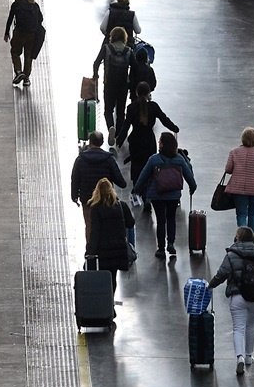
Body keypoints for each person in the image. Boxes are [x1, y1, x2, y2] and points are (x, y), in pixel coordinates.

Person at [207, 227, 254, 375]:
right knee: (251, 326)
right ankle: (249, 356)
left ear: (237, 238)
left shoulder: (231, 255)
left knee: (238, 328)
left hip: (238, 296)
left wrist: (210, 286)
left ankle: (240, 358)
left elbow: (221, 274)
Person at [133, 130, 196, 259]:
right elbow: (188, 174)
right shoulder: (179, 159)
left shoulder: (154, 159)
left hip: (157, 195)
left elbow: (143, 176)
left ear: (162, 144)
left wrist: (136, 189)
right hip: (173, 195)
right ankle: (171, 243)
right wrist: (192, 186)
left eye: (159, 141)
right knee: (171, 218)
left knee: (161, 220)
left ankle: (161, 248)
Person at [116, 86, 178, 201]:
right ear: (148, 93)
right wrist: (174, 128)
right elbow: (164, 119)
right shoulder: (153, 106)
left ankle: (137, 195)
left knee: (136, 169)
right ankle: (147, 198)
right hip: (149, 142)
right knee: (150, 169)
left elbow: (125, 127)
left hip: (135, 142)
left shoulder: (131, 108)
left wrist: (118, 143)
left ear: (136, 92)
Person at [221, 126, 254, 234]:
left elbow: (228, 169)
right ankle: (252, 239)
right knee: (253, 214)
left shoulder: (234, 152)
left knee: (241, 214)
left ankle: (242, 238)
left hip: (238, 189)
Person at [84, 177, 136, 283]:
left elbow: (95, 231)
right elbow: (131, 223)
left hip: (103, 250)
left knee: (104, 277)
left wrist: (90, 251)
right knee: (113, 276)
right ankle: (111, 297)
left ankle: (106, 297)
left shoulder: (96, 208)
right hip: (119, 248)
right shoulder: (121, 206)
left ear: (97, 191)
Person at [93, 25, 137, 133]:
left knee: (108, 110)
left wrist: (96, 75)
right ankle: (118, 134)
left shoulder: (106, 48)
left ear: (112, 37)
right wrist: (131, 82)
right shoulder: (129, 51)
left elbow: (96, 63)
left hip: (109, 84)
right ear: (124, 38)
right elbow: (135, 67)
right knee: (121, 111)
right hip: (123, 85)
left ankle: (110, 128)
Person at [3, 0, 45, 87]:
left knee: (15, 52)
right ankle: (26, 78)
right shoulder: (35, 5)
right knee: (28, 55)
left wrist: (7, 32)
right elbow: (40, 19)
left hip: (19, 32)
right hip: (32, 34)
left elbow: (10, 19)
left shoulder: (16, 4)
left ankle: (18, 71)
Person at [71, 132, 125, 206]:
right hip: (105, 199)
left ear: (90, 142)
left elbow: (75, 179)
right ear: (102, 143)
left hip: (87, 200)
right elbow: (121, 182)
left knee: (89, 217)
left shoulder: (80, 160)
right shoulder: (109, 160)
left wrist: (74, 197)